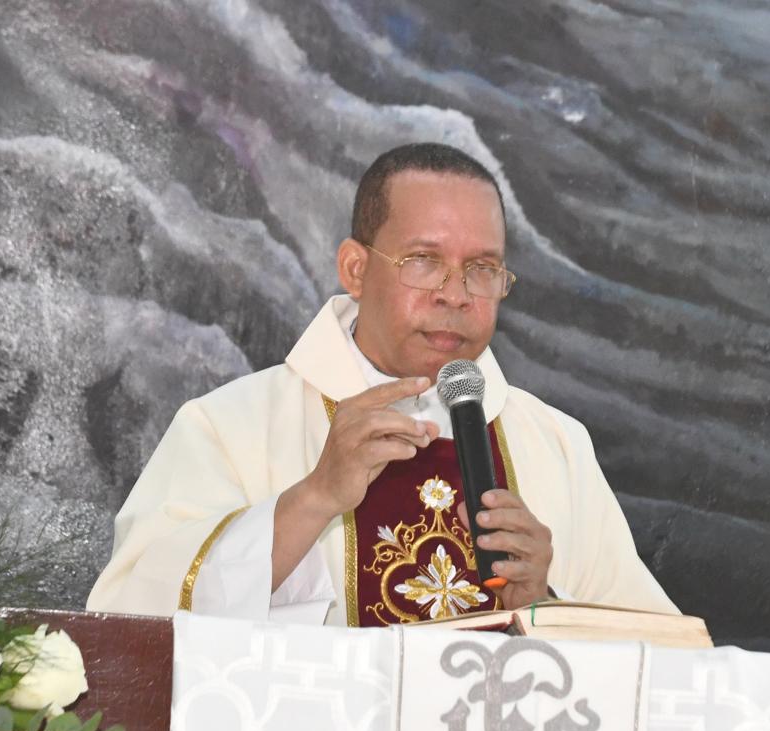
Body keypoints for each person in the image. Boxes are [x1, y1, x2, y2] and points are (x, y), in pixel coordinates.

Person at [86, 143, 679, 623]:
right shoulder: (230, 425)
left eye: (482, 269)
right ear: (356, 269)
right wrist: (314, 497)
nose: (455, 294)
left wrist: (543, 606)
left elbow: (659, 664)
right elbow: (130, 609)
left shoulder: (555, 445)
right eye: (424, 261)